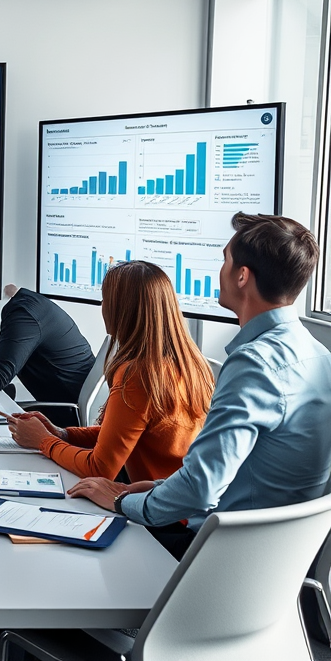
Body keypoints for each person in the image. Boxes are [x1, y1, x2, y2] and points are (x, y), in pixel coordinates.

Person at [69, 213, 331, 560]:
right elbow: (248, 474)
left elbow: (203, 488)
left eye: (224, 260)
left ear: (242, 276)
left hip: (214, 558)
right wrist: (157, 488)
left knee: (78, 533)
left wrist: (120, 500)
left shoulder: (253, 364)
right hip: (277, 561)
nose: (219, 271)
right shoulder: (319, 355)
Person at [5, 261, 213, 482]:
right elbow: (122, 435)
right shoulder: (192, 363)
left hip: (155, 506)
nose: (102, 307)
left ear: (122, 310)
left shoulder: (139, 374)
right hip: (181, 502)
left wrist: (43, 442)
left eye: (105, 300)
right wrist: (62, 434)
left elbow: (99, 468)